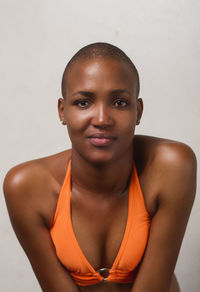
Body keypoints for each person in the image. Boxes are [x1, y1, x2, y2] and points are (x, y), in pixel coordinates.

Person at [3, 42, 197, 292]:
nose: (102, 119)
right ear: (62, 111)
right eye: (84, 103)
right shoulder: (25, 187)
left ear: (138, 111)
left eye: (119, 102)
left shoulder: (170, 166)